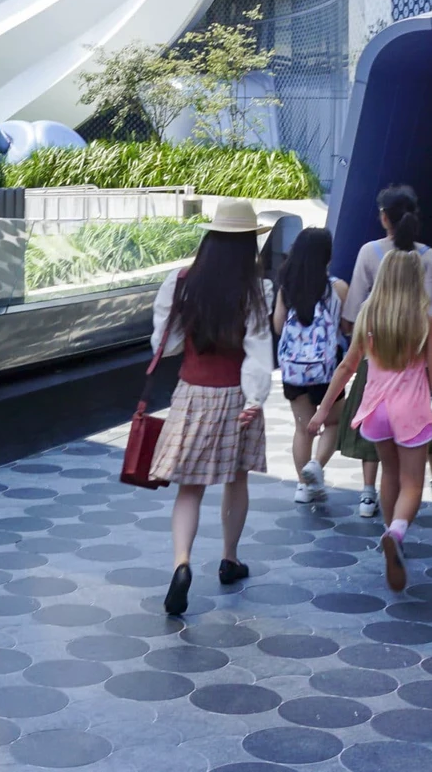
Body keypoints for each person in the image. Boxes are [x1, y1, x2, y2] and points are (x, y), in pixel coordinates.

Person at [148, 198, 274, 616]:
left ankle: (182, 563)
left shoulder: (182, 281)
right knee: (237, 480)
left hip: (192, 393)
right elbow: (257, 350)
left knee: (190, 488)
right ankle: (229, 558)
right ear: (247, 246)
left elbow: (165, 345)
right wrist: (255, 398)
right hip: (236, 394)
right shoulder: (256, 291)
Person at [309, 249, 432, 592]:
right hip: (411, 411)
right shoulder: (424, 320)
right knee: (413, 483)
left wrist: (323, 409)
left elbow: (347, 366)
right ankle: (397, 532)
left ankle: (391, 534)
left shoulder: (368, 315)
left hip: (375, 410)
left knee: (389, 473)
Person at [337, 184, 432, 510]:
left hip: (376, 351)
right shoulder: (428, 255)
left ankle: (367, 492)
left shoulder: (369, 252)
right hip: (417, 353)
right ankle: (422, 490)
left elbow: (352, 310)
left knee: (375, 425)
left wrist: (355, 333)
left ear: (384, 217)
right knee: (418, 425)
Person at [272, 227, 347, 505]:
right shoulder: (337, 287)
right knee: (333, 422)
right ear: (327, 256)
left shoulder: (286, 288)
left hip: (294, 372)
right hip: (328, 371)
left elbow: (278, 326)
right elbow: (347, 325)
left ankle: (303, 487)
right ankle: (316, 465)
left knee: (302, 428)